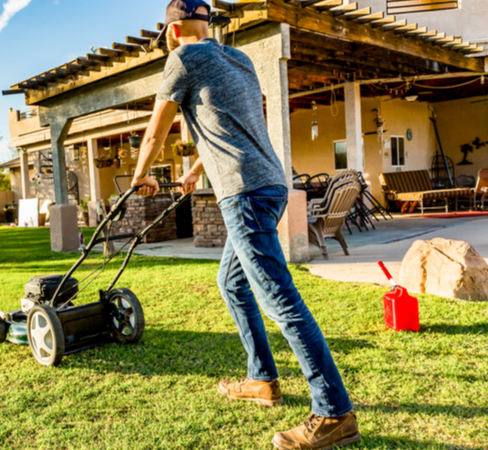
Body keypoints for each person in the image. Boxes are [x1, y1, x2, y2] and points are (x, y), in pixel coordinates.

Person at [129, 1, 361, 448]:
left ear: (172, 32)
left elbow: (156, 131)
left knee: (279, 299)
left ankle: (334, 412)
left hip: (245, 195)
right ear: (207, 23)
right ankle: (262, 379)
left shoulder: (182, 58)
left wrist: (141, 176)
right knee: (232, 283)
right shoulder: (239, 59)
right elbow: (236, 125)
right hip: (271, 184)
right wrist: (196, 170)